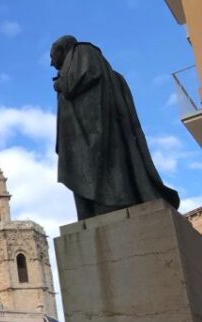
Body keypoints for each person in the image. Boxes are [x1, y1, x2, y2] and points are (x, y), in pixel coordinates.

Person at [51, 35, 180, 220]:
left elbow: (76, 82)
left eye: (51, 55)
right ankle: (97, 208)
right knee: (87, 173)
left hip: (94, 131)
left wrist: (60, 84)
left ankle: (111, 204)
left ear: (62, 49)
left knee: (102, 169)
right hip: (83, 134)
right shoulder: (76, 61)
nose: (50, 63)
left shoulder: (84, 52)